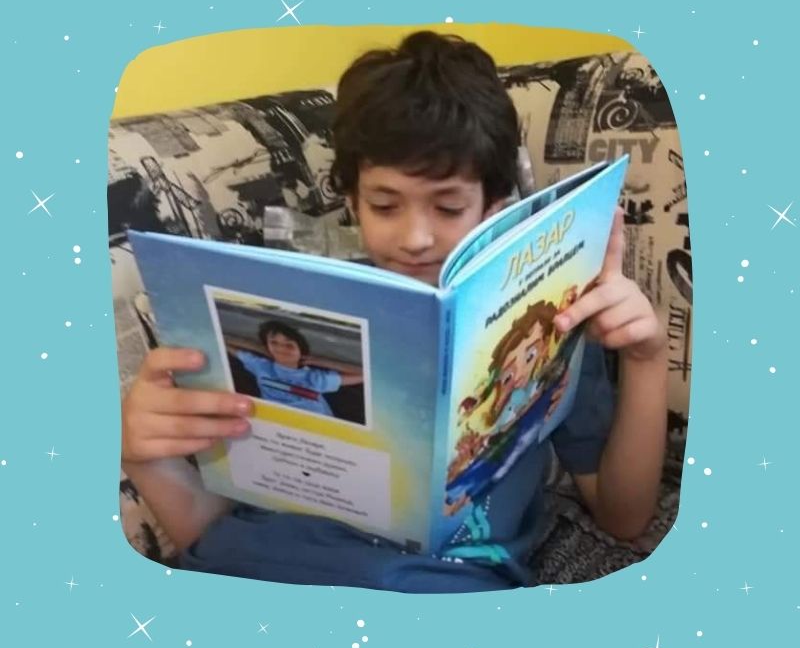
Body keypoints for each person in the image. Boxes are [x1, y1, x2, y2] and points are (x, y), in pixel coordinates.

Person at [121, 31, 667, 592]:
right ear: (353, 203)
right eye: (384, 205)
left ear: (493, 209)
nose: (415, 237)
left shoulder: (550, 317)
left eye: (448, 207)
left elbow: (624, 516)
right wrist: (143, 458)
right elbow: (209, 537)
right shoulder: (302, 302)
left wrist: (647, 358)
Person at [225, 320, 362, 418]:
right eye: (274, 343)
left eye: (289, 345)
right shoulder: (261, 366)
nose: (281, 349)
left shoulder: (313, 378)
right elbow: (225, 341)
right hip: (276, 422)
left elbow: (364, 375)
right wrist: (262, 349)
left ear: (300, 350)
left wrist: (322, 361)